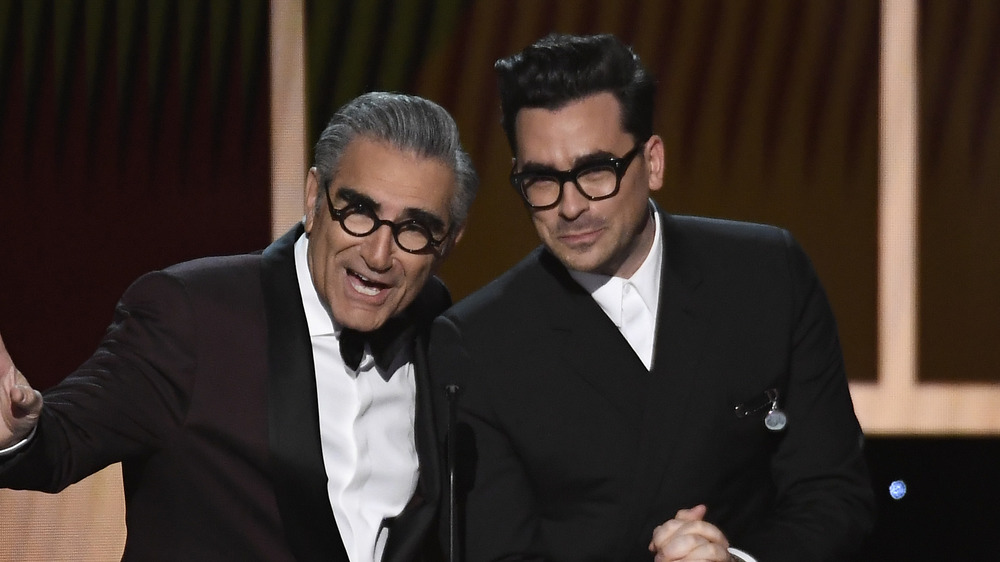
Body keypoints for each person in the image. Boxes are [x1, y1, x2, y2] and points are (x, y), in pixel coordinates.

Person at [429, 34, 874, 562]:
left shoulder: (767, 274)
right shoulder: (479, 343)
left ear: (653, 162)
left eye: (596, 172)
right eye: (542, 179)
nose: (569, 207)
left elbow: (836, 498)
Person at [0, 91, 478, 562]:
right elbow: (63, 438)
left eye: (413, 229)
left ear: (448, 240)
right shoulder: (194, 315)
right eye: (359, 213)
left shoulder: (440, 330)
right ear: (314, 197)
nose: (378, 255)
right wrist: (18, 434)